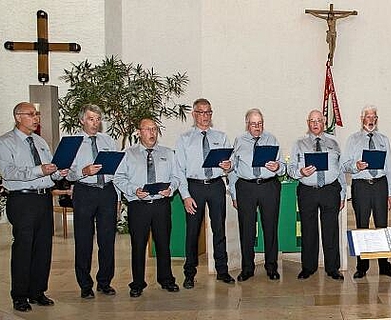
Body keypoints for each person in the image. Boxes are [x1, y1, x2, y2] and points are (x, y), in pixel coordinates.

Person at [0, 102, 68, 312]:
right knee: (24, 248)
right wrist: (39, 170)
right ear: (18, 117)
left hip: (43, 199)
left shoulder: (40, 141)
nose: (36, 118)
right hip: (22, 200)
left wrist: (57, 173)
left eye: (37, 114)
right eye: (31, 114)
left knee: (43, 248)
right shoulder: (5, 143)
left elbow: (49, 170)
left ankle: (38, 291)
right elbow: (9, 172)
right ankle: (19, 295)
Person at [114, 119, 180, 298]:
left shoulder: (168, 153)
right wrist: (133, 191)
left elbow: (176, 176)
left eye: (155, 129)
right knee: (138, 245)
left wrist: (171, 189)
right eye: (148, 129)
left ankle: (166, 279)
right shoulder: (128, 154)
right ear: (139, 132)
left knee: (163, 244)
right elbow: (118, 178)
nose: (152, 133)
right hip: (138, 205)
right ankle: (137, 283)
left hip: (161, 204)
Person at [174, 98, 234, 289]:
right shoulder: (184, 139)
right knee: (192, 232)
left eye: (208, 112)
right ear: (194, 114)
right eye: (201, 112)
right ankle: (189, 273)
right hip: (194, 187)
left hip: (216, 185)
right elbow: (178, 170)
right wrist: (185, 196)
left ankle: (222, 271)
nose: (205, 116)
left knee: (219, 229)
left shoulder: (221, 136)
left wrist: (228, 165)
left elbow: (229, 164)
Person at [66, 104, 119, 299]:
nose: (95, 123)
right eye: (91, 119)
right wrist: (83, 172)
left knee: (107, 240)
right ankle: (85, 284)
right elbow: (64, 171)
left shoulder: (108, 140)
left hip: (107, 192)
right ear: (82, 120)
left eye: (98, 119)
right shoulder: (72, 142)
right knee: (84, 240)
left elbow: (117, 169)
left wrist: (118, 197)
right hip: (84, 191)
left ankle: (104, 282)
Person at [289, 110, 346, 280]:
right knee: (308, 230)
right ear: (308, 123)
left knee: (331, 231)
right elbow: (291, 169)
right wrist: (301, 171)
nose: (315, 124)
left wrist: (342, 193)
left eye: (318, 120)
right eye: (312, 121)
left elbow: (340, 169)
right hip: (308, 191)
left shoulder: (334, 143)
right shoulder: (299, 144)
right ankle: (308, 267)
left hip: (330, 190)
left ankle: (332, 268)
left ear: (324, 122)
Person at [229, 108, 285, 282]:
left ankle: (271, 267)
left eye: (260, 123)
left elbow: (282, 165)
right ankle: (247, 268)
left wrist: (278, 167)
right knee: (246, 229)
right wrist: (233, 193)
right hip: (246, 188)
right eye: (253, 124)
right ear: (247, 124)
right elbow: (232, 169)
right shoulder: (239, 140)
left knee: (270, 228)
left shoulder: (272, 139)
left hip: (269, 186)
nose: (257, 127)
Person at [342, 105, 391, 278]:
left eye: (374, 117)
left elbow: (389, 166)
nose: (371, 120)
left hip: (380, 185)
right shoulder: (353, 140)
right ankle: (362, 265)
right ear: (362, 119)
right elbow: (344, 165)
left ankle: (384, 265)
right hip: (361, 185)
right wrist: (355, 166)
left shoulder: (383, 139)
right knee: (362, 226)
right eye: (368, 117)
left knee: (382, 226)